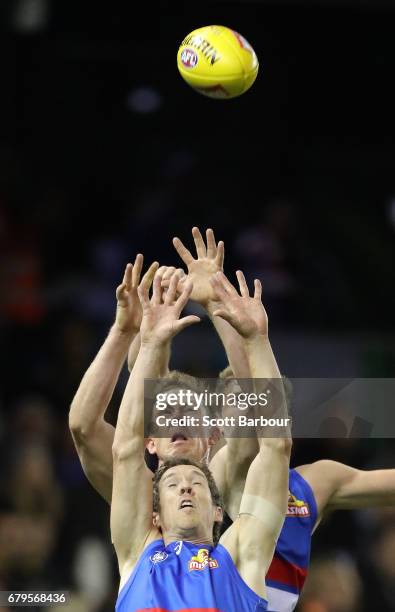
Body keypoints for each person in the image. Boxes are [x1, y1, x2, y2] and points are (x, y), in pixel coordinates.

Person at [69, 227, 395, 612]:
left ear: (213, 434)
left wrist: (228, 315)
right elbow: (111, 431)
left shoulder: (252, 517)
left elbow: (265, 436)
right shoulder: (150, 508)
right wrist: (137, 335)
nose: (186, 488)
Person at [111, 268, 291, 611]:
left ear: (218, 512)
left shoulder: (241, 556)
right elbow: (124, 450)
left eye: (196, 481)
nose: (186, 487)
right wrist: (148, 343)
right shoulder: (137, 553)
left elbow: (276, 447)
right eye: (173, 485)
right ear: (155, 517)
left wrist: (258, 341)